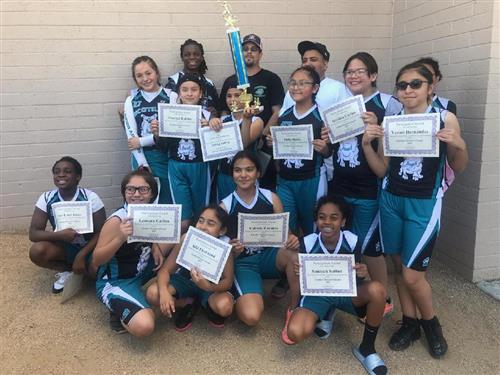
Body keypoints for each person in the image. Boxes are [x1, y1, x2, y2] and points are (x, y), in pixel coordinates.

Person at [362, 62, 468, 358]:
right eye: (402, 85)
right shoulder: (392, 120)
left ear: (430, 87)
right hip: (392, 199)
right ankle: (409, 323)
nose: (408, 90)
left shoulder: (444, 117)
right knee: (398, 265)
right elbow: (383, 170)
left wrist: (458, 144)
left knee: (412, 275)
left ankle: (431, 324)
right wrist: (369, 146)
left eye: (415, 84)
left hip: (425, 203)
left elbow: (458, 167)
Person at [286, 195, 388, 375]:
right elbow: (304, 284)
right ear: (316, 220)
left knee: (377, 290)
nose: (327, 222)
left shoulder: (352, 240)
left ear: (343, 221)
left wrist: (363, 273)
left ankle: (367, 349)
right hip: (318, 294)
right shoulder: (308, 243)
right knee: (295, 332)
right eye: (322, 217)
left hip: (344, 292)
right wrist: (298, 273)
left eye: (334, 217)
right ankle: (326, 312)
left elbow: (355, 277)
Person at [329, 52, 396, 318]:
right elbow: (333, 149)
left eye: (360, 71)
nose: (354, 76)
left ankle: (384, 297)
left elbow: (391, 151)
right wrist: (326, 138)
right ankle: (346, 293)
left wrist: (378, 126)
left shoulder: (386, 104)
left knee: (369, 246)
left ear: (373, 76)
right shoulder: (341, 107)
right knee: (343, 242)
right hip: (340, 186)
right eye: (349, 71)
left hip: (368, 189)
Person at [219, 150, 300, 332]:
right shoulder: (225, 205)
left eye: (249, 169)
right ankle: (237, 290)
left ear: (258, 173)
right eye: (238, 170)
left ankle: (295, 308)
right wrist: (231, 248)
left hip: (269, 256)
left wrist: (292, 239)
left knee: (293, 255)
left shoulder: (271, 198)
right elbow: (219, 244)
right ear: (232, 174)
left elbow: (286, 234)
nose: (243, 175)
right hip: (244, 262)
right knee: (251, 317)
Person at [91, 170, 166, 336]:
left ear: (152, 193)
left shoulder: (153, 213)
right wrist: (120, 237)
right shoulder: (117, 220)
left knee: (179, 238)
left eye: (143, 189)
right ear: (124, 193)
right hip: (117, 281)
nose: (136, 194)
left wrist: (156, 246)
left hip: (140, 270)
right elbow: (96, 259)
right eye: (130, 189)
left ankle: (180, 295)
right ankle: (117, 309)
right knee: (145, 326)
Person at [146, 204, 234, 331]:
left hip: (210, 287)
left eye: (211, 223)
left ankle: (206, 305)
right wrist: (164, 292)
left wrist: (209, 287)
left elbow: (228, 281)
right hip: (185, 282)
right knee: (153, 294)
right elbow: (165, 270)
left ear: (222, 230)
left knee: (225, 307)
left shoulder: (225, 247)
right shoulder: (187, 239)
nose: (203, 227)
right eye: (201, 221)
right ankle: (186, 303)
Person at [267, 66, 331, 237]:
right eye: (293, 83)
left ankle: (312, 262)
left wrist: (325, 149)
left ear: (315, 88)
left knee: (313, 227)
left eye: (303, 83)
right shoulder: (284, 116)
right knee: (288, 228)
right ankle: (293, 262)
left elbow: (330, 152)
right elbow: (277, 152)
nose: (296, 87)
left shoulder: (322, 116)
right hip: (286, 181)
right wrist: (274, 143)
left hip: (312, 179)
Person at [28, 156, 106, 293]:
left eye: (67, 171)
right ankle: (68, 271)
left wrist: (81, 255)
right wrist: (59, 235)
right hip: (64, 247)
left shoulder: (91, 197)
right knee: (37, 251)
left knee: (95, 275)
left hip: (90, 247)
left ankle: (84, 267)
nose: (61, 175)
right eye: (57, 172)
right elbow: (33, 233)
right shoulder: (46, 198)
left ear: (78, 176)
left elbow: (102, 232)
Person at [219, 34, 285, 190]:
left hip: (261, 144)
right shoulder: (231, 81)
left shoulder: (271, 78)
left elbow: (277, 111)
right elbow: (223, 112)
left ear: (260, 54)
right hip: (232, 147)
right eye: (245, 49)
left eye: (254, 49)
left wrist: (262, 134)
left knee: (259, 187)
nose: (249, 52)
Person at [152, 73, 212, 233]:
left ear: (201, 93)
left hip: (200, 167)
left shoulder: (208, 116)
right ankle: (180, 250)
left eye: (194, 89)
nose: (189, 93)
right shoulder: (170, 114)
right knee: (183, 218)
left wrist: (210, 129)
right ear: (179, 93)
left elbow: (215, 147)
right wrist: (158, 134)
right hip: (176, 167)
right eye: (185, 90)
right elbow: (163, 147)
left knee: (201, 212)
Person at [124, 55, 172, 204]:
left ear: (156, 72)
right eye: (139, 75)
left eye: (148, 73)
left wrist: (145, 140)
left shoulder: (172, 96)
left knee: (166, 200)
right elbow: (132, 139)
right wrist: (143, 164)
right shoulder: (131, 100)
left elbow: (172, 132)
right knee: (142, 201)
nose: (145, 78)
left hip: (166, 158)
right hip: (141, 158)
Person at [209, 82, 264, 200]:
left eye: (237, 95)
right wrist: (210, 122)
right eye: (229, 96)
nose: (232, 99)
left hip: (245, 176)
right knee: (225, 213)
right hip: (224, 175)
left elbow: (244, 144)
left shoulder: (256, 121)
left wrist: (246, 119)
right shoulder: (223, 120)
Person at [281, 41, 351, 115]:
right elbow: (283, 118)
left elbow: (349, 119)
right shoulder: (294, 90)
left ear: (325, 64)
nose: (307, 64)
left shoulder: (338, 89)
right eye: (304, 61)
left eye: (313, 60)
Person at [165, 39, 219, 116]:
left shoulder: (209, 84)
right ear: (182, 57)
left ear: (201, 57)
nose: (192, 57)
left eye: (196, 54)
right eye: (187, 54)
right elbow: (167, 111)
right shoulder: (173, 81)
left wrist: (214, 113)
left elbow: (217, 110)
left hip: (204, 126)